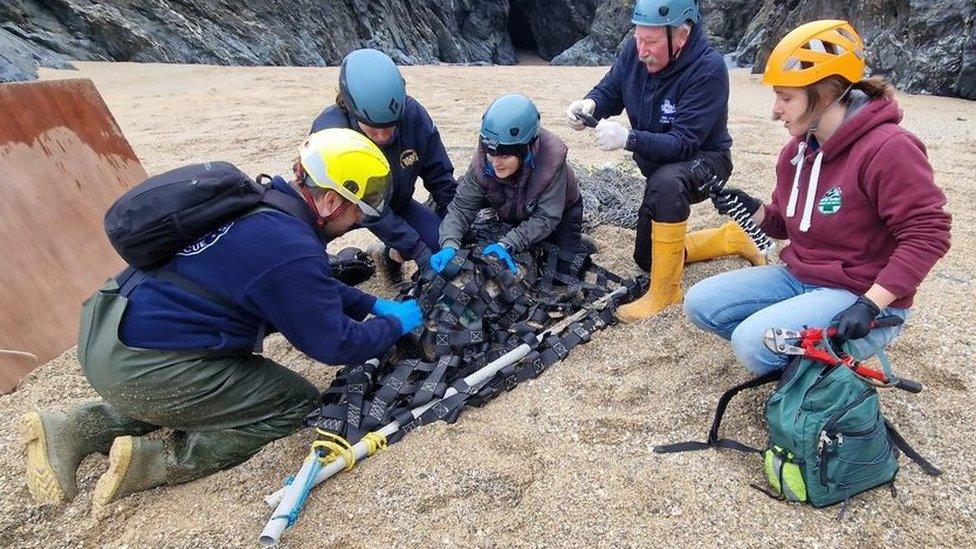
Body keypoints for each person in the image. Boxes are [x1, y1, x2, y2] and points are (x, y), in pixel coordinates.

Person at [22, 128, 424, 505]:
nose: (358, 220)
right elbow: (335, 344)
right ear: (332, 201)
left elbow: (300, 286)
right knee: (293, 403)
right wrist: (395, 324)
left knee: (202, 384)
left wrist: (371, 305)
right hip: (145, 364)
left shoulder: (259, 204)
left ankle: (73, 427)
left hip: (108, 326)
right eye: (357, 210)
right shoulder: (292, 248)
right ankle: (154, 459)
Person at [683, 20, 952, 374]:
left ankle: (811, 362)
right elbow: (786, 223)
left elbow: (929, 234)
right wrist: (754, 210)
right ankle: (804, 359)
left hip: (862, 298)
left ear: (825, 93)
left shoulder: (889, 148)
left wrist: (871, 304)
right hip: (800, 277)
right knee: (700, 303)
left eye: (786, 97)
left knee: (751, 343)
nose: (775, 110)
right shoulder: (796, 153)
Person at [565, 0, 765, 323]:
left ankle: (665, 293)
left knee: (667, 182)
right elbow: (611, 89)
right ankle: (729, 238)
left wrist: (628, 139)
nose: (642, 50)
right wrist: (590, 105)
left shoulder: (708, 69)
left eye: (651, 42)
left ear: (681, 36)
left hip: (705, 163)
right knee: (646, 259)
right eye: (638, 39)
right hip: (659, 165)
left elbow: (684, 143)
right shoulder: (636, 51)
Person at [311, 48, 456, 282]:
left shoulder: (414, 116)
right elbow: (370, 211)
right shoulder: (331, 134)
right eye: (372, 129)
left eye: (389, 127)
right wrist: (417, 250)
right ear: (349, 109)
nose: (381, 137)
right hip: (339, 213)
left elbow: (441, 179)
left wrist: (457, 232)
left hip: (397, 202)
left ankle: (388, 255)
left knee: (440, 247)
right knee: (311, 268)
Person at [430, 94, 582, 279]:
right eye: (491, 154)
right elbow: (461, 209)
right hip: (508, 200)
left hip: (557, 211)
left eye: (504, 156)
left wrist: (506, 243)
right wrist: (449, 245)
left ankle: (580, 243)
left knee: (560, 276)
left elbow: (546, 217)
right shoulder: (484, 160)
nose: (495, 163)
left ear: (526, 149)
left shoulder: (552, 161)